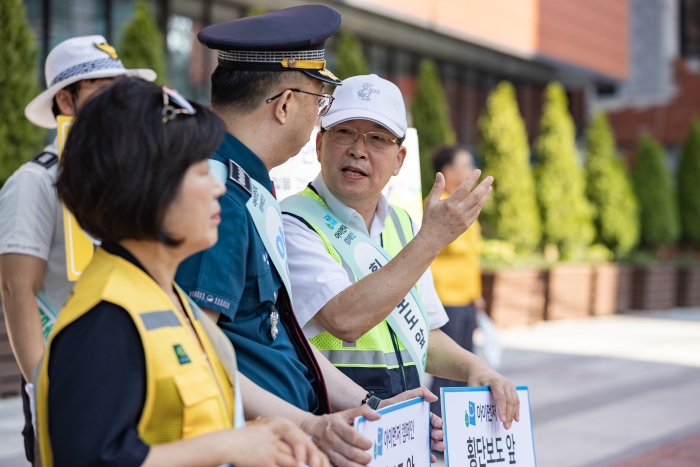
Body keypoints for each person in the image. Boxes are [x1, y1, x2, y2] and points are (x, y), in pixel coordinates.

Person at [175, 6, 444, 465]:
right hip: (245, 444)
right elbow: (196, 350)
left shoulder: (246, 185)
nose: (319, 117)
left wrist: (369, 405)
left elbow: (279, 335)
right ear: (284, 105)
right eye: (320, 104)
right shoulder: (217, 193)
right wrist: (306, 424)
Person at [36, 77, 327, 467]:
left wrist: (257, 434)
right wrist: (231, 446)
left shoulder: (164, 297)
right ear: (147, 186)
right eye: (200, 170)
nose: (218, 188)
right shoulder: (107, 318)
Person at [281, 74, 520, 429]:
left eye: (377, 138)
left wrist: (476, 368)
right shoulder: (293, 220)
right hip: (331, 423)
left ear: (399, 159)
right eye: (344, 132)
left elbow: (425, 335)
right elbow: (344, 319)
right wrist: (431, 240)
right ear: (319, 145)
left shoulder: (403, 225)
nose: (358, 149)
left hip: (400, 424)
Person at [0, 35, 155, 464]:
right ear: (66, 101)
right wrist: (40, 388)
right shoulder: (34, 182)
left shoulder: (127, 176)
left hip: (131, 375)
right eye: (104, 93)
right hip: (68, 381)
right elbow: (17, 291)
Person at [428, 145, 486, 416]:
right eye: (465, 165)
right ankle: (440, 435)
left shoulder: (468, 209)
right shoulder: (435, 207)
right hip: (444, 302)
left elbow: (471, 258)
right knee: (445, 375)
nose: (470, 170)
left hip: (465, 301)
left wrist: (477, 296)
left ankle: (460, 431)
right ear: (449, 171)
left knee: (467, 371)